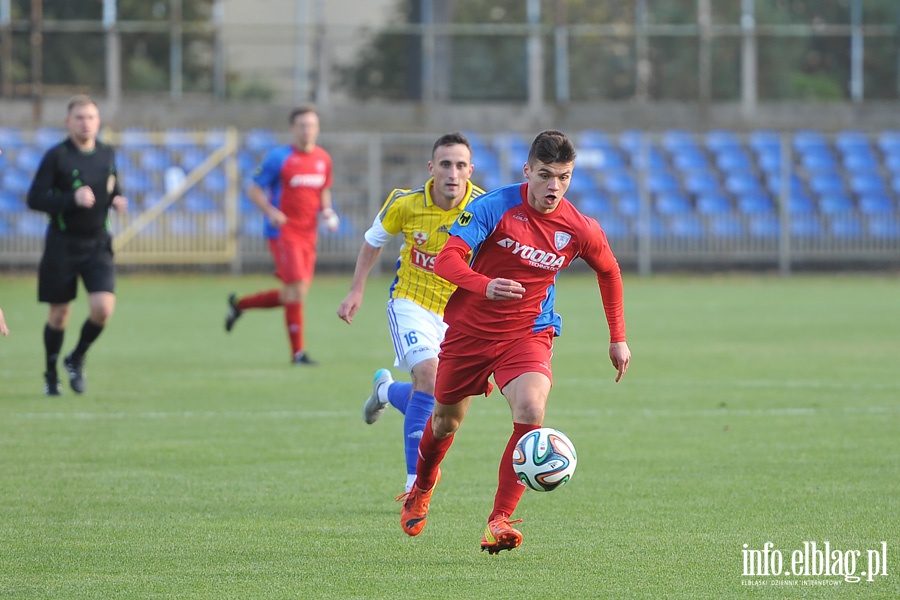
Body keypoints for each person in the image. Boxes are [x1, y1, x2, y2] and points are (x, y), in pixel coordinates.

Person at [398, 130, 631, 554]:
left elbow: (610, 271)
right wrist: (484, 285)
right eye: (545, 175)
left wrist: (618, 338)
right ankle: (422, 486)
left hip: (528, 332)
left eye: (564, 177)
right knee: (444, 422)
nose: (554, 187)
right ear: (528, 171)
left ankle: (499, 520)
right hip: (470, 332)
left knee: (531, 408)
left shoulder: (578, 227)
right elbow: (448, 259)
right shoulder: (495, 206)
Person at [337, 132, 485, 494]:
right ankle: (414, 482)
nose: (453, 172)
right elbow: (373, 241)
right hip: (411, 302)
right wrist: (357, 289)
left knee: (442, 400)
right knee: (430, 378)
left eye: (460, 165)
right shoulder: (405, 203)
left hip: (458, 314)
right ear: (432, 168)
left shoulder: (483, 206)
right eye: (446, 164)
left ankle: (386, 391)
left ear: (470, 170)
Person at [26, 94, 128, 396]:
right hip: (62, 244)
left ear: (99, 122)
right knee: (59, 315)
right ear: (68, 122)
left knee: (103, 308)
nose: (86, 123)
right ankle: (50, 373)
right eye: (80, 117)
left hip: (97, 245)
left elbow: (111, 188)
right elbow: (35, 199)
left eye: (91, 117)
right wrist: (71, 199)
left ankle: (77, 357)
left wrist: (117, 200)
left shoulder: (107, 154)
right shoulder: (56, 156)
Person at [225, 104, 339, 364]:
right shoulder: (279, 157)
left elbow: (323, 190)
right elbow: (254, 190)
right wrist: (271, 211)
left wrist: (328, 211)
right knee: (297, 290)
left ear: (318, 129)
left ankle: (239, 304)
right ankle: (298, 354)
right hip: (283, 232)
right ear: (292, 128)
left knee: (293, 294)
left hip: (308, 234)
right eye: (301, 125)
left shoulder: (323, 159)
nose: (307, 130)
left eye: (311, 125)